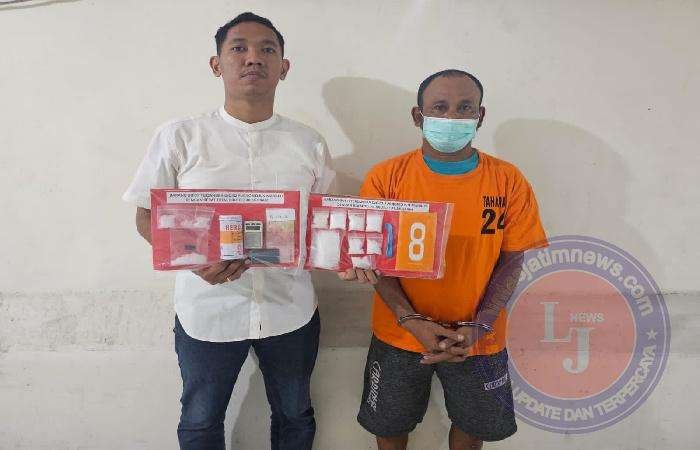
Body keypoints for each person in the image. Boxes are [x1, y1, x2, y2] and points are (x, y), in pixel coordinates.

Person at [122, 12, 334, 450]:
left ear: (283, 67)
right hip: (207, 310)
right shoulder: (180, 136)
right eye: (239, 48)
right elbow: (146, 216)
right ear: (216, 64)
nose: (253, 58)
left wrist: (351, 255)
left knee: (295, 416)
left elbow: (323, 224)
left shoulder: (308, 143)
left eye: (267, 49)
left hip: (290, 308)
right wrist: (195, 260)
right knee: (200, 420)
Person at [340, 69, 546, 450]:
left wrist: (481, 324)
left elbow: (512, 260)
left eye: (465, 107)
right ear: (418, 116)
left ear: (480, 116)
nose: (452, 117)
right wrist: (410, 320)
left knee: (473, 428)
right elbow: (374, 261)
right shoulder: (386, 178)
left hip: (478, 338)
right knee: (389, 427)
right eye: (440, 107)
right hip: (399, 333)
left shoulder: (508, 180)